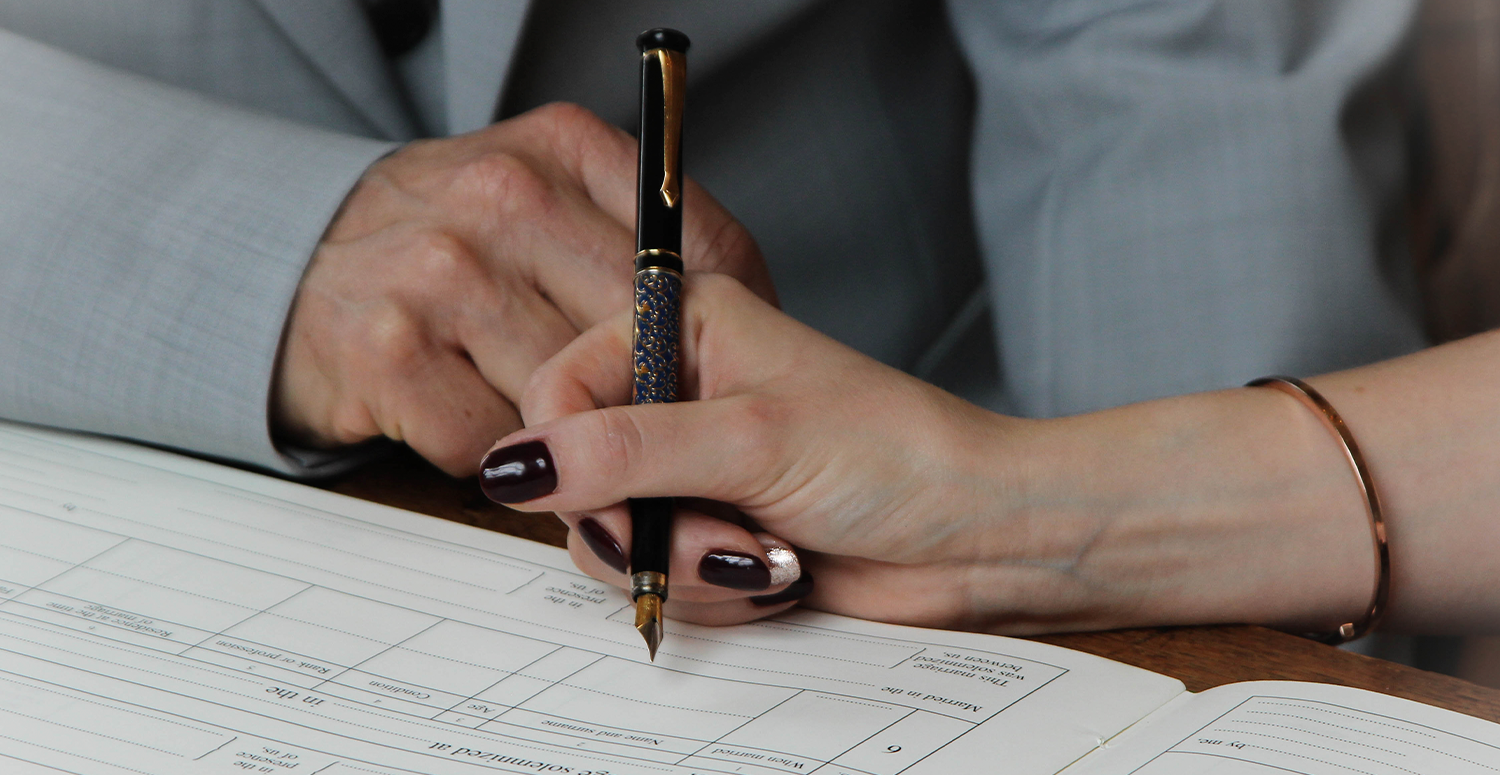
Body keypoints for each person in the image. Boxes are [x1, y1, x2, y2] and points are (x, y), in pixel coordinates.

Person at [0, 1, 1436, 633]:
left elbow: (1175, 45)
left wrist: (1175, 614)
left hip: (867, 456)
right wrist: (256, 247)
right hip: (86, 463)